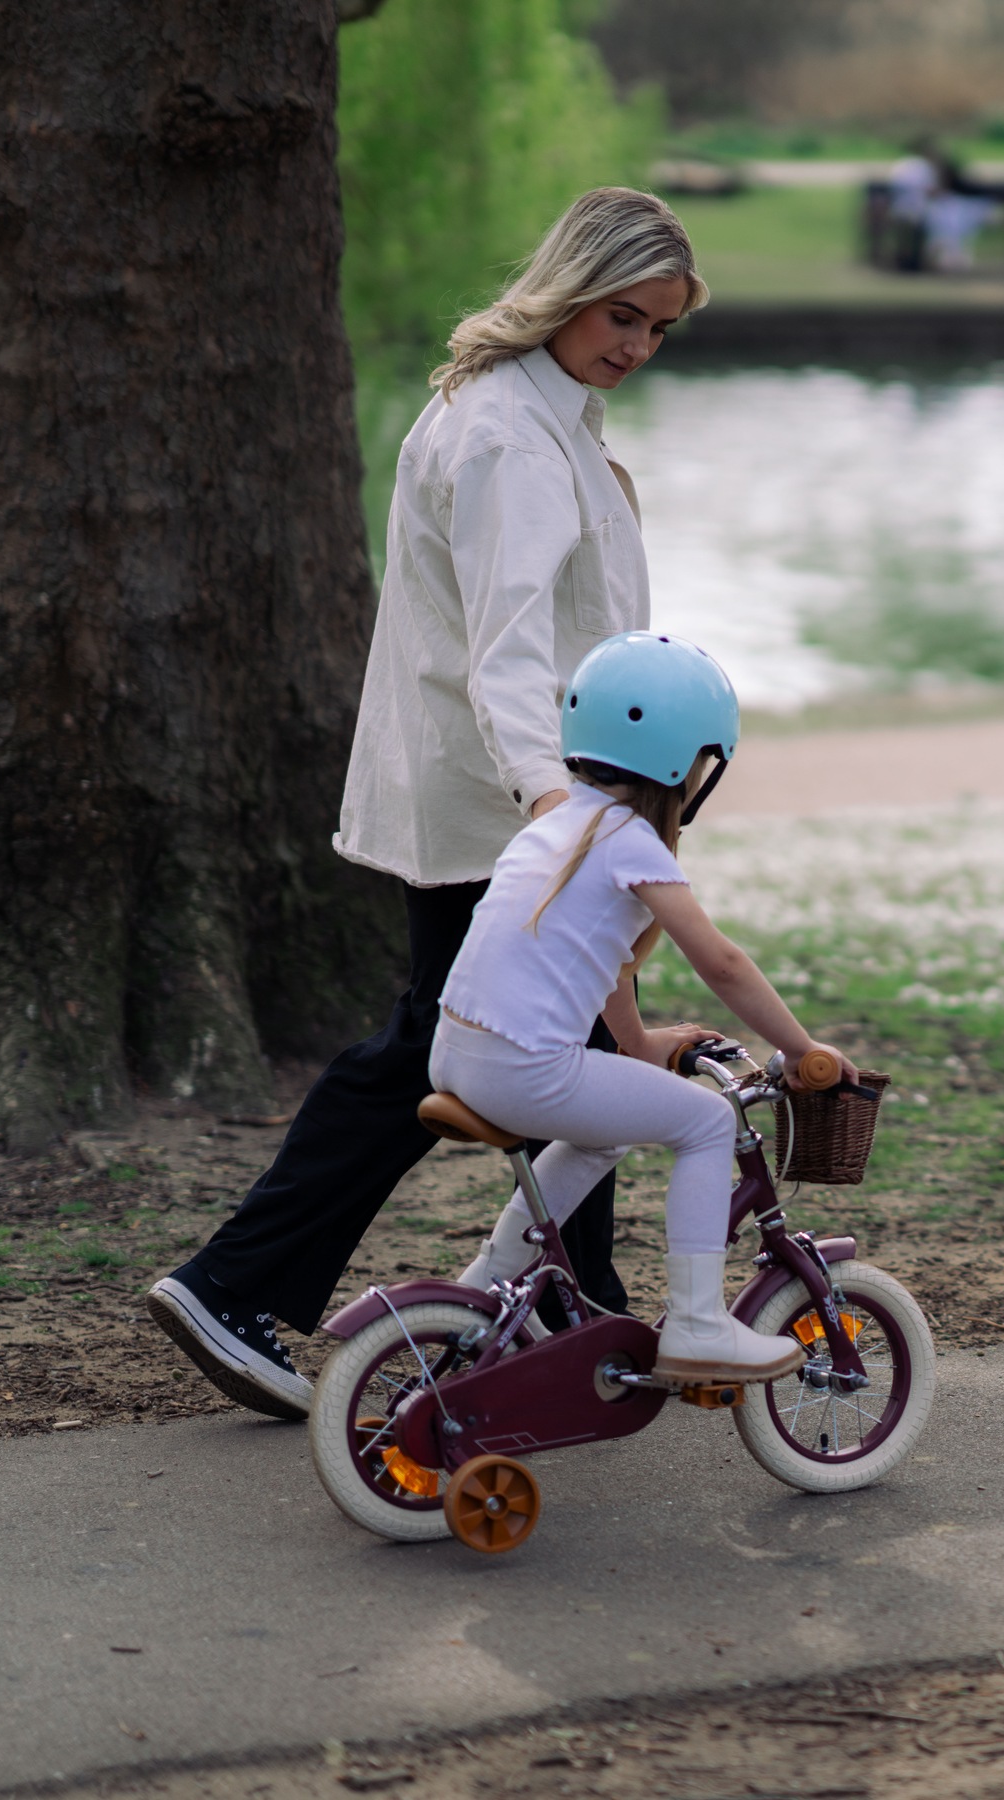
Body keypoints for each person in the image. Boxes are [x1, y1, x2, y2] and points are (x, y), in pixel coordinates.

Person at [145, 188, 707, 1420]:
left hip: (505, 793)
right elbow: (509, 651)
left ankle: (573, 1310)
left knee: (560, 1045)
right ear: (571, 290)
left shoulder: (527, 409)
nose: (637, 346)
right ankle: (233, 1283)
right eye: (623, 315)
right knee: (436, 1047)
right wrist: (560, 813)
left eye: (658, 329)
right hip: (502, 801)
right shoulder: (511, 437)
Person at [432, 630, 857, 1380]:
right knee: (707, 1121)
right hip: (525, 1069)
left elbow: (604, 966)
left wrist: (637, 1046)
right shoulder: (633, 843)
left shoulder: (557, 825)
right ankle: (698, 1325)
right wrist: (801, 1049)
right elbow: (722, 964)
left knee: (604, 1135)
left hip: (457, 1053)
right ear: (685, 762)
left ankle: (487, 1284)